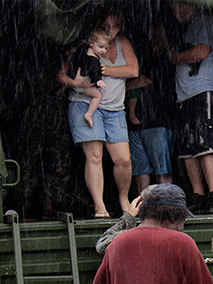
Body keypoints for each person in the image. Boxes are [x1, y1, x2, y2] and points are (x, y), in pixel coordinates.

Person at [57, 11, 138, 217]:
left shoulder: (122, 43)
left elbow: (133, 70)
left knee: (124, 160)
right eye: (108, 27)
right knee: (95, 155)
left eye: (116, 27)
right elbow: (60, 74)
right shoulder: (83, 46)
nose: (111, 32)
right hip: (84, 104)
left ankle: (123, 198)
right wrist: (75, 83)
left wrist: (102, 71)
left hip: (114, 108)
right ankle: (99, 206)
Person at [169, 1, 213, 214]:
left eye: (178, 6)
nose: (175, 11)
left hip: (205, 89)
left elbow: (202, 51)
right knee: (188, 147)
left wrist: (176, 57)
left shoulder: (203, 21)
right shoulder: (188, 27)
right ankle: (198, 196)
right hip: (186, 94)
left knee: (205, 143)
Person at [127, 23, 177, 194]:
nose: (156, 40)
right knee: (140, 170)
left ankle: (168, 204)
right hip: (136, 123)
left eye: (159, 37)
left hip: (159, 121)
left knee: (162, 168)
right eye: (154, 37)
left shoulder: (167, 61)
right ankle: (145, 207)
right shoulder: (143, 56)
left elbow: (143, 80)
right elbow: (136, 81)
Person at [67, 29, 109, 129]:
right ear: (91, 43)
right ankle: (89, 114)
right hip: (83, 85)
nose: (103, 50)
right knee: (98, 95)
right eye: (101, 47)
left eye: (106, 48)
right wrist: (98, 80)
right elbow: (93, 71)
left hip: (80, 82)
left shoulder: (85, 52)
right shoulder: (92, 59)